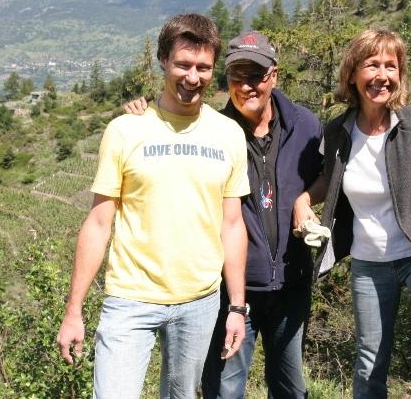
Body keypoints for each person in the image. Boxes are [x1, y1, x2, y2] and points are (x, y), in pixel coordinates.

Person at [56, 13, 250, 399]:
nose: (192, 77)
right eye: (183, 64)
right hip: (130, 298)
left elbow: (232, 225)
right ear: (163, 60)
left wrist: (237, 308)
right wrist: (73, 309)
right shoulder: (125, 130)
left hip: (199, 301)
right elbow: (99, 223)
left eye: (203, 67)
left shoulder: (229, 134)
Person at [124, 30, 322, 398]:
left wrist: (305, 200)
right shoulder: (212, 132)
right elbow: (170, 130)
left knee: (291, 388)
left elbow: (327, 174)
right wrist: (143, 113)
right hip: (229, 291)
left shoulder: (305, 126)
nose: (246, 86)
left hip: (292, 283)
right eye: (237, 76)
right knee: (224, 390)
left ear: (274, 76)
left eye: (256, 75)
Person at [293, 28, 411, 398]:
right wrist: (303, 201)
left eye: (390, 66)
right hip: (369, 262)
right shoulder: (338, 132)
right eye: (372, 65)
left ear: (400, 74)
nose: (382, 75)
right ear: (353, 74)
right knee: (369, 361)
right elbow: (330, 178)